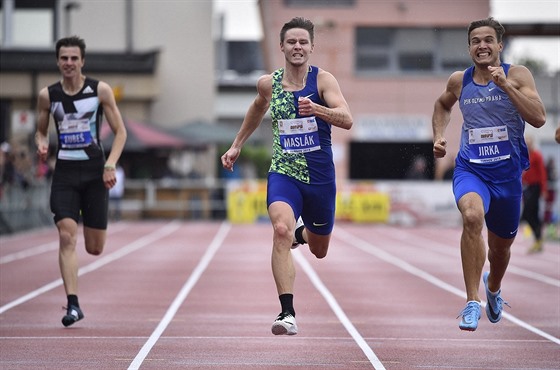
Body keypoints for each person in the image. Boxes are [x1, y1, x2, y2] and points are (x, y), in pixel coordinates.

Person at [221, 17, 353, 336]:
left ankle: (301, 235)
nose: (297, 47)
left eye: (302, 42)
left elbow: (347, 119)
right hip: (284, 171)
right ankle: (287, 313)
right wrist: (236, 144)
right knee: (280, 229)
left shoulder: (323, 81)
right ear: (281, 46)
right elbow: (256, 108)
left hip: (320, 177)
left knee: (319, 249)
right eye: (291, 42)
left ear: (311, 47)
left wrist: (318, 109)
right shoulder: (270, 83)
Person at [431, 18, 546, 331]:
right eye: (475, 41)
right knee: (471, 217)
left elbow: (538, 118)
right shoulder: (460, 80)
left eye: (487, 40)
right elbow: (442, 105)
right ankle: (471, 301)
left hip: (507, 176)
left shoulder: (517, 74)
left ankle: (493, 287)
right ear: (469, 47)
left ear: (499, 46)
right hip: (471, 169)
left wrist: (505, 85)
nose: (481, 46)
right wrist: (439, 136)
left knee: (501, 250)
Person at [35, 36, 127, 327]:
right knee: (66, 236)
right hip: (64, 173)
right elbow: (40, 131)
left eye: (74, 58)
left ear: (82, 61)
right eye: (64, 58)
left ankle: (92, 232)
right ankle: (73, 305)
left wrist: (110, 164)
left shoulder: (99, 91)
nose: (69, 63)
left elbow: (120, 132)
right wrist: (40, 143)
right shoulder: (47, 96)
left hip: (94, 173)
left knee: (95, 248)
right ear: (58, 61)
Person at [520, 136, 547, 253]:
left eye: (529, 143)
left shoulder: (537, 155)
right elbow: (523, 172)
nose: (528, 145)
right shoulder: (526, 155)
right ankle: (538, 240)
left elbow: (542, 173)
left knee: (528, 214)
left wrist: (544, 189)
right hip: (528, 187)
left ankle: (538, 237)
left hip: (536, 187)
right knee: (533, 214)